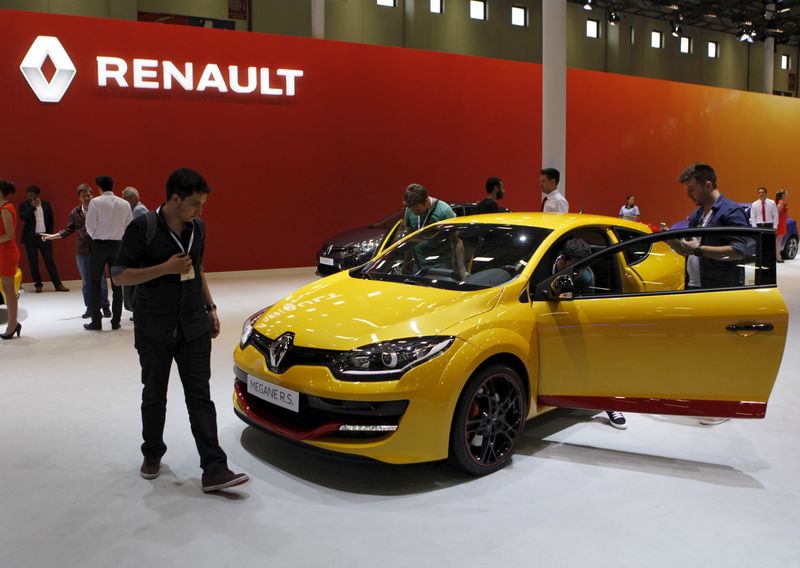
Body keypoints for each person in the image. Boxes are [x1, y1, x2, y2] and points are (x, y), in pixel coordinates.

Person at [112, 168, 248, 492]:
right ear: (175, 198)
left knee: (200, 397)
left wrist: (211, 308)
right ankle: (152, 453)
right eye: (195, 204)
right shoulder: (142, 227)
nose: (200, 211)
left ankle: (214, 468)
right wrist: (165, 268)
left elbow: (197, 269)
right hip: (154, 327)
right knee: (154, 394)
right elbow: (118, 275)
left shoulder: (197, 228)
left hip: (193, 325)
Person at [667, 163, 749, 426]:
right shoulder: (698, 214)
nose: (689, 195)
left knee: (719, 349)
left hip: (720, 289)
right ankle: (707, 398)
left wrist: (699, 249)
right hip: (697, 287)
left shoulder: (731, 211)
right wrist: (676, 244)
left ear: (708, 185)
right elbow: (690, 248)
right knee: (702, 347)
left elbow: (739, 250)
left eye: (692, 189)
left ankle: (723, 406)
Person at [553, 237, 627, 430]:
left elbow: (585, 307)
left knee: (593, 357)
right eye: (575, 265)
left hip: (572, 321)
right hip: (545, 321)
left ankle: (610, 404)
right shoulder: (545, 266)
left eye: (582, 265)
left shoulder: (586, 276)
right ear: (563, 258)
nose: (579, 270)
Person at [41, 184, 111, 319]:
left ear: (93, 195)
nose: (87, 198)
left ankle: (105, 307)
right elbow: (68, 230)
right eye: (84, 196)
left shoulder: (100, 209)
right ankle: (90, 308)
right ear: (79, 198)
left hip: (98, 249)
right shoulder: (75, 212)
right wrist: (52, 236)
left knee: (101, 280)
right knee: (86, 281)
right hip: (82, 250)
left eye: (89, 195)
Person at [84, 175, 132, 331]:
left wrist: (97, 236)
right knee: (117, 283)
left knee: (95, 283)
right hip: (118, 245)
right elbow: (129, 225)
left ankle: (96, 322)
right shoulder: (124, 203)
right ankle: (116, 321)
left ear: (99, 187)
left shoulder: (95, 202)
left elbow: (89, 226)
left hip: (99, 245)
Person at [18, 185, 68, 293]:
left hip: (44, 236)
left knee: (50, 261)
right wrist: (32, 207)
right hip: (31, 238)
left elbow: (51, 219)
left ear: (37, 195)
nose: (29, 196)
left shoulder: (46, 204)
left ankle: (58, 285)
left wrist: (49, 235)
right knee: (33, 262)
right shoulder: (24, 205)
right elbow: (22, 217)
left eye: (31, 195)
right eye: (28, 194)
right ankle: (38, 285)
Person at [121, 187, 149, 313]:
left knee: (136, 282)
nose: (124, 202)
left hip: (139, 251)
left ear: (134, 198)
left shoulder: (138, 211)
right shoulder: (137, 209)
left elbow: (140, 232)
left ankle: (137, 307)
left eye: (125, 199)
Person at [0, 180, 22, 339]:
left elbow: (9, 235)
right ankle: (13, 323)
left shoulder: (6, 209)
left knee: (9, 291)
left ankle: (12, 324)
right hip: (3, 252)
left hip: (6, 253)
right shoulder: (3, 208)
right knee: (7, 290)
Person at [775, 189, 789, 263]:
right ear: (783, 195)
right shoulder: (781, 202)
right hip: (780, 224)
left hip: (781, 223)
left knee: (778, 241)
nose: (787, 195)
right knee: (778, 241)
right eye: (786, 194)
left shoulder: (782, 202)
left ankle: (777, 256)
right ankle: (777, 257)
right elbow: (776, 212)